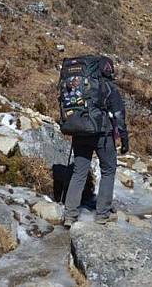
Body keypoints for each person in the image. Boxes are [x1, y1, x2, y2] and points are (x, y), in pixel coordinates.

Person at [63, 57, 128, 226]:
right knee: (108, 170)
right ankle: (102, 215)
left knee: (79, 172)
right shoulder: (108, 87)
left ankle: (70, 215)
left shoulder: (81, 85)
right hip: (102, 135)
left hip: (80, 132)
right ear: (107, 70)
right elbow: (119, 115)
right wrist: (124, 138)